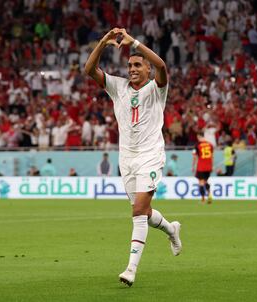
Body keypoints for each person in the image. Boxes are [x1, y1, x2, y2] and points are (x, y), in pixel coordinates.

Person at [85, 27, 182, 287]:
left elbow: (162, 66)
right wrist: (104, 41)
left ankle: (131, 269)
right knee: (144, 211)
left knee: (138, 212)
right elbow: (89, 70)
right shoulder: (118, 87)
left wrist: (134, 43)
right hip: (126, 158)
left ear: (147, 69)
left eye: (138, 64)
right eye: (129, 65)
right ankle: (172, 229)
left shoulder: (156, 89)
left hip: (150, 155)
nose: (132, 69)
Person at [192, 131, 214, 204]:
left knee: (201, 182)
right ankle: (209, 194)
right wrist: (212, 166)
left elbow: (195, 157)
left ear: (199, 136)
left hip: (201, 166)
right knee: (205, 181)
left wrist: (193, 166)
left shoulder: (197, 145)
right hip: (208, 166)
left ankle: (203, 199)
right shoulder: (210, 145)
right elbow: (212, 156)